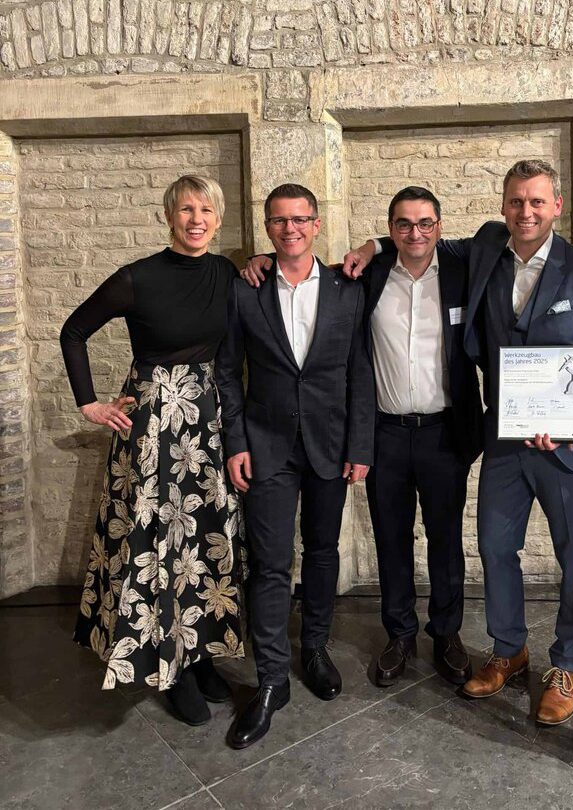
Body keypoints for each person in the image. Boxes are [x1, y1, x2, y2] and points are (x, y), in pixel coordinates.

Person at [345, 160, 573, 726]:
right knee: (493, 546)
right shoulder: (487, 250)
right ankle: (509, 649)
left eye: (537, 201)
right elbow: (415, 238)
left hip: (566, 444)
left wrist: (564, 415)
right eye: (516, 201)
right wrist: (372, 244)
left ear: (557, 205)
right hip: (504, 437)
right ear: (503, 206)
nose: (526, 212)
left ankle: (567, 663)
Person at [243, 186, 483, 687]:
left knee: (445, 540)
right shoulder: (365, 277)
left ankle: (446, 634)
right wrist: (261, 259)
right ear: (390, 229)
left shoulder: (462, 270)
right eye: (402, 224)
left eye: (425, 223)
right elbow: (299, 263)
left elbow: (497, 236)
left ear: (439, 227)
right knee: (391, 538)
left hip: (445, 432)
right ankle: (399, 635)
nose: (414, 233)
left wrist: (373, 243)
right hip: (385, 432)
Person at [60, 175, 245, 727]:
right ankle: (171, 666)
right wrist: (89, 403)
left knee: (205, 537)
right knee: (159, 541)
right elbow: (74, 331)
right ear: (168, 216)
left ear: (217, 217)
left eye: (206, 210)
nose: (196, 220)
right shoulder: (137, 277)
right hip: (153, 426)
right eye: (185, 209)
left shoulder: (226, 272)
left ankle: (202, 651)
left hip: (208, 420)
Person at [216, 183, 375, 750]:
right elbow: (228, 372)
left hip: (330, 444)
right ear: (268, 226)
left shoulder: (347, 289)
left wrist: (361, 446)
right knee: (270, 564)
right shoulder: (246, 289)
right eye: (280, 220)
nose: (291, 229)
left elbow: (360, 371)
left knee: (324, 551)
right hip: (267, 445)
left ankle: (315, 649)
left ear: (316, 224)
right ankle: (271, 679)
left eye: (301, 219)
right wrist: (236, 441)